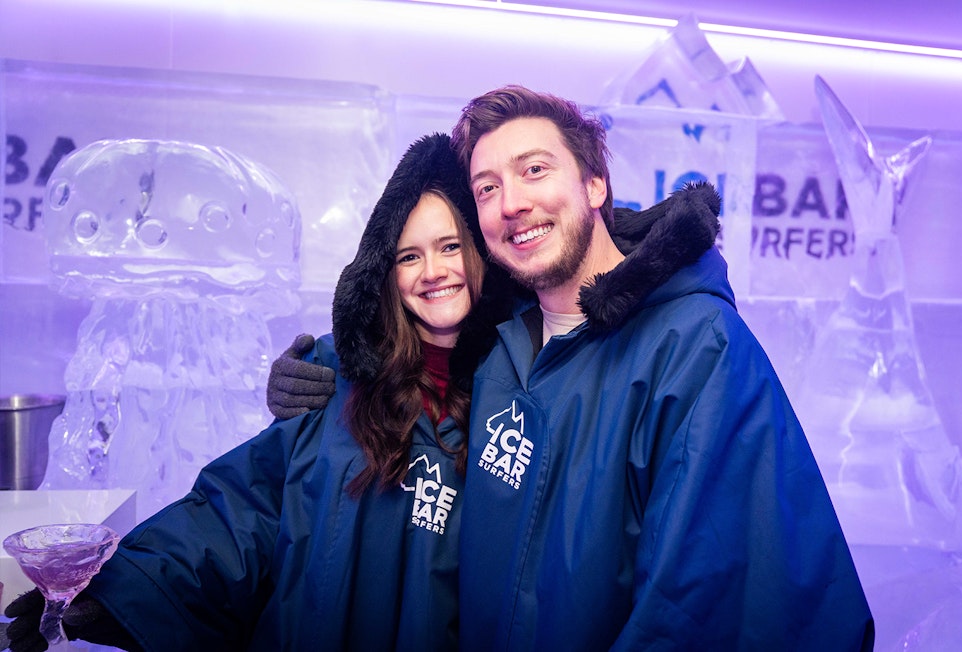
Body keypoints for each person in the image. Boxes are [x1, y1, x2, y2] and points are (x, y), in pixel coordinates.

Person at [269, 85, 874, 650]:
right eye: (486, 188)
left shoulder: (696, 348)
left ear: (594, 185)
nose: (512, 204)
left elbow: (715, 604)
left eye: (535, 169)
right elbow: (416, 398)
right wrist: (333, 376)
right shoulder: (499, 345)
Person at [4, 133, 492, 652]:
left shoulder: (516, 395)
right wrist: (122, 594)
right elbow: (240, 510)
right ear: (384, 272)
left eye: (450, 247)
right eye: (408, 256)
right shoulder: (335, 380)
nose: (433, 271)